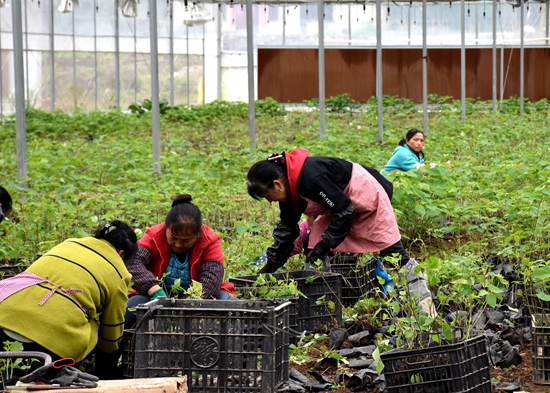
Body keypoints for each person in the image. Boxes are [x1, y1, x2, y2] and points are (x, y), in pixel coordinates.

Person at [247, 148, 435, 315]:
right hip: (340, 206)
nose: (270, 201)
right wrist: (267, 270)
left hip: (366, 195)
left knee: (393, 255)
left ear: (277, 184)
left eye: (267, 196)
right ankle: (321, 309)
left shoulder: (310, 178)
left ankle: (426, 310)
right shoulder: (287, 192)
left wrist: (326, 243)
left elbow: (344, 210)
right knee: (311, 247)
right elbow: (287, 231)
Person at [0, 220, 138, 381]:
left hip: (4, 320)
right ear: (121, 254)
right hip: (50, 345)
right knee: (93, 327)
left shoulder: (69, 244)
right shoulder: (119, 271)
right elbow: (110, 338)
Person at [125, 193, 236, 329]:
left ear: (198, 234)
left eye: (186, 241)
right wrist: (154, 290)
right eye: (173, 237)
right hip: (154, 298)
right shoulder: (154, 235)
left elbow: (210, 283)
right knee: (133, 305)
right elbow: (133, 263)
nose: (178, 244)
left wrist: (180, 307)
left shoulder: (209, 240)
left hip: (198, 301)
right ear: (166, 228)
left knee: (228, 303)